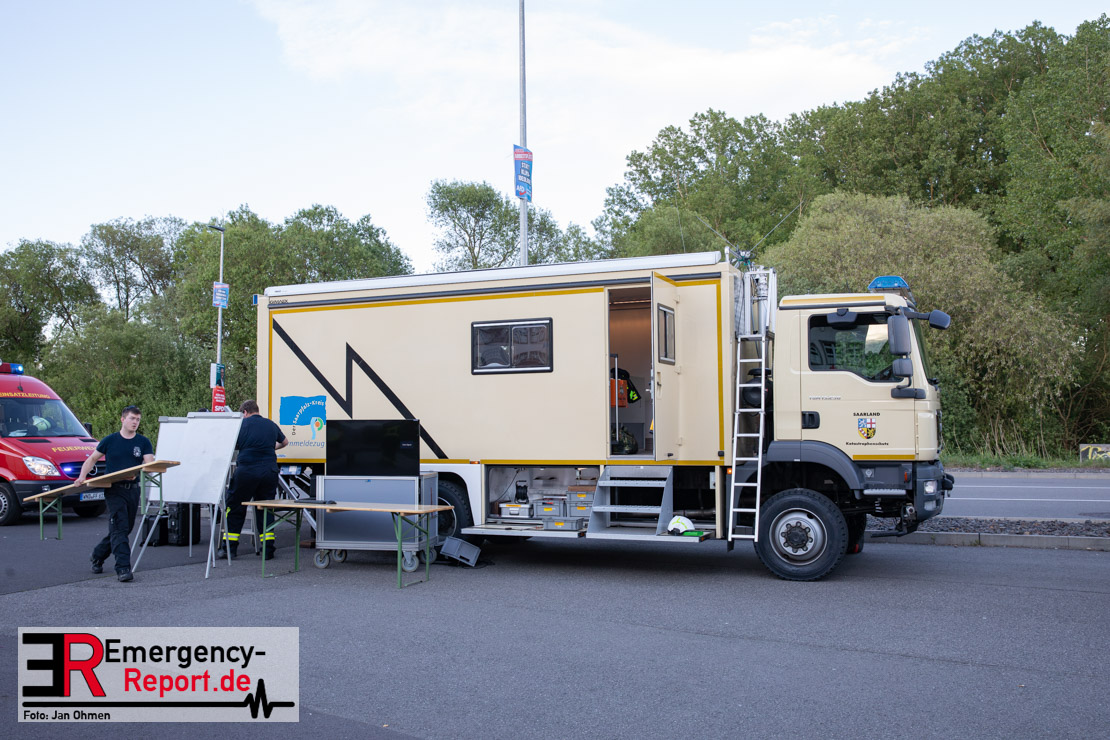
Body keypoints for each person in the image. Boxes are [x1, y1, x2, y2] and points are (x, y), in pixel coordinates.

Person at [77, 406, 155, 582]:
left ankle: (97, 555)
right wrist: (82, 477)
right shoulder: (110, 440)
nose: (135, 422)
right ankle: (123, 568)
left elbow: (149, 465)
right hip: (114, 489)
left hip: (133, 490)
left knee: (124, 528)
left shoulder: (143, 442)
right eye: (132, 418)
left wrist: (141, 470)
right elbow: (92, 459)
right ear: (123, 419)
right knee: (120, 527)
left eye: (138, 420)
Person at [218, 400, 288, 560]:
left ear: (244, 412)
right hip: (269, 471)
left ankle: (229, 548)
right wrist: (269, 448)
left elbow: (230, 446)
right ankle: (268, 549)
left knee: (235, 506)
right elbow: (285, 442)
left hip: (247, 471)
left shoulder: (241, 425)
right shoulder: (270, 425)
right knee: (265, 507)